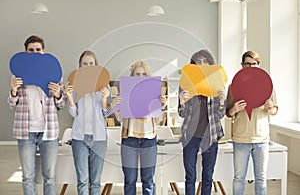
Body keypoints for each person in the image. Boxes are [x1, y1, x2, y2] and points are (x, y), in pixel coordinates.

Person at [7, 35, 67, 195]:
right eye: (31, 50)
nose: (34, 53)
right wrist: (13, 91)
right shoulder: (17, 76)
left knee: (50, 177)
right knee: (28, 176)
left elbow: (62, 104)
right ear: (25, 52)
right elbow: (12, 104)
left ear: (43, 51)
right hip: (25, 132)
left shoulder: (55, 74)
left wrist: (59, 94)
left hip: (49, 132)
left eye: (38, 50)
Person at [226, 50, 278, 195]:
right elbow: (228, 114)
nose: (250, 67)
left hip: (262, 139)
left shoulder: (268, 85)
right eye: (247, 64)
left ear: (258, 65)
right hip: (241, 139)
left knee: (261, 178)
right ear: (242, 65)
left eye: (254, 64)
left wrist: (271, 108)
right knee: (239, 177)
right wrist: (234, 109)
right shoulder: (233, 87)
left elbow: (275, 111)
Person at [178, 49, 226, 195]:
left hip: (210, 136)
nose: (202, 65)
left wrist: (222, 100)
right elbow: (182, 113)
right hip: (190, 136)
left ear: (210, 64)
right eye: (198, 62)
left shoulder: (217, 85)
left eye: (205, 62)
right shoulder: (186, 84)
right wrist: (181, 101)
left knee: (208, 176)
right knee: (190, 176)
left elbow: (220, 114)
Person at [65, 50, 112, 195]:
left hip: (99, 139)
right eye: (85, 63)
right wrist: (69, 97)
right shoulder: (74, 84)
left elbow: (106, 113)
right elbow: (73, 113)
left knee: (96, 182)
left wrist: (105, 98)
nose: (88, 66)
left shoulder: (104, 85)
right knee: (82, 181)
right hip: (79, 138)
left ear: (96, 65)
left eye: (91, 63)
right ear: (80, 66)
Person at [118, 61, 167, 195]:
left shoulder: (153, 92)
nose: (140, 76)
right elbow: (119, 118)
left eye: (144, 74)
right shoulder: (126, 91)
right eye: (137, 74)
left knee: (148, 181)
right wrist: (118, 104)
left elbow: (157, 120)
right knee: (130, 180)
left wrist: (161, 106)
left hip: (149, 138)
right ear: (132, 76)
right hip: (129, 139)